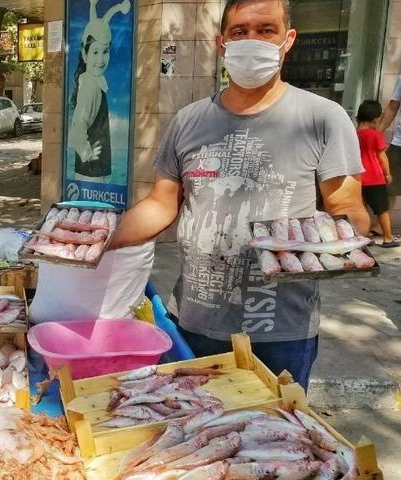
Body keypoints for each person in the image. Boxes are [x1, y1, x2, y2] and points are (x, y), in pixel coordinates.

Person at [109, 0, 368, 389]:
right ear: (221, 44)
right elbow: (161, 205)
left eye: (266, 30)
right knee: (192, 434)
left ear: (288, 40)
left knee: (276, 436)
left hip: (281, 331)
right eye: (240, 31)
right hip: (194, 321)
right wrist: (95, 242)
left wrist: (333, 241)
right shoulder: (189, 120)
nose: (252, 40)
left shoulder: (323, 117)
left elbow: (348, 208)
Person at [67, 0, 130, 178]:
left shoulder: (94, 83)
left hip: (93, 170)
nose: (101, 59)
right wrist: (87, 153)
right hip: (91, 172)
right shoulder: (91, 86)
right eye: (95, 52)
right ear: (84, 54)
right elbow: (78, 125)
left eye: (105, 51)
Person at [356, 100, 398, 247]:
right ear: (375, 118)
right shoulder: (375, 135)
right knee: (382, 210)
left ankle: (361, 235)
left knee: (361, 208)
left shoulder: (355, 134)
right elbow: (382, 156)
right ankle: (388, 237)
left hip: (359, 179)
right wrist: (387, 174)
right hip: (375, 179)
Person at [377, 75, 401, 236]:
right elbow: (393, 106)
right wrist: (376, 135)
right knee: (387, 185)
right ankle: (382, 226)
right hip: (399, 143)